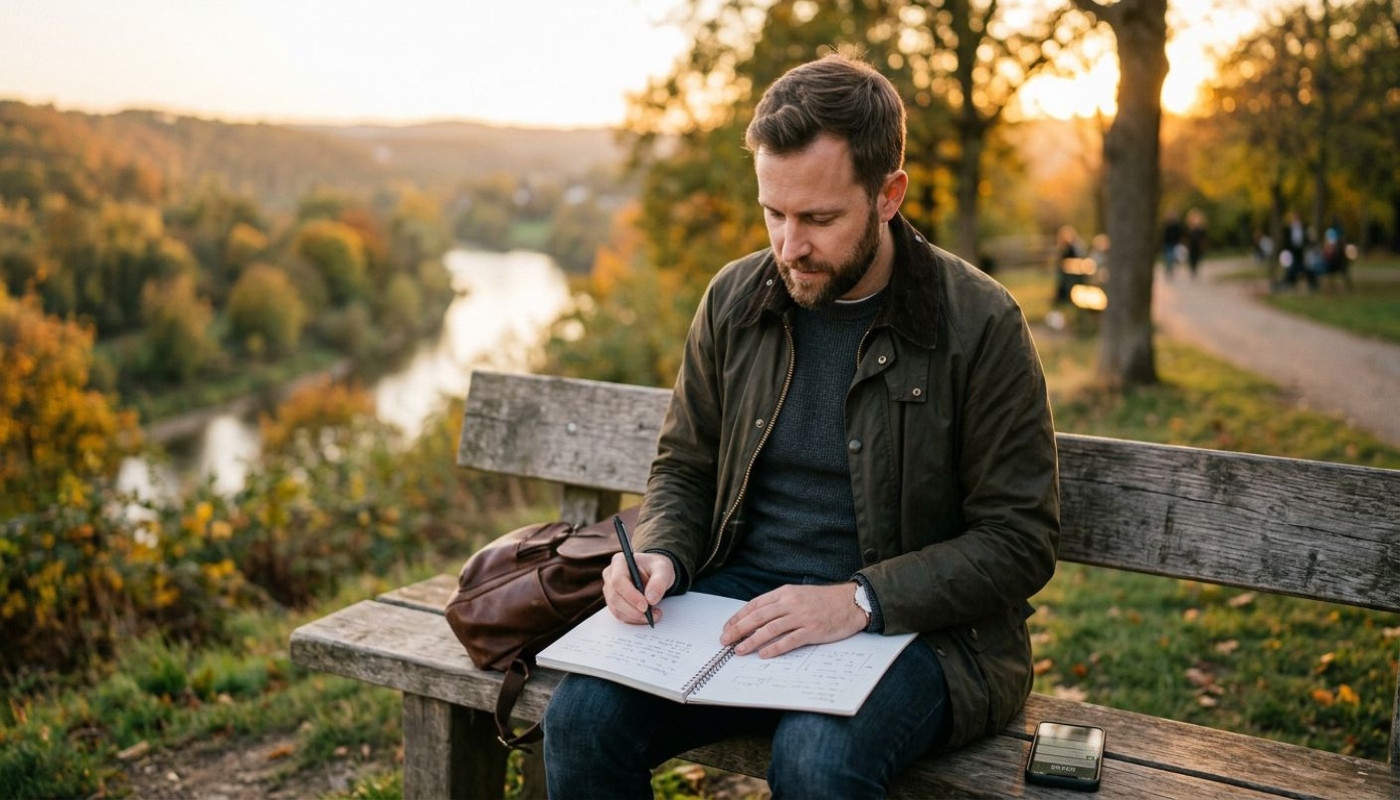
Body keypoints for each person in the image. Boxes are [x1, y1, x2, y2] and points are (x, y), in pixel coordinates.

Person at [542, 54, 1060, 799]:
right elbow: (685, 467)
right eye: (773, 214)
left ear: (888, 195)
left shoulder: (980, 322)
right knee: (581, 721)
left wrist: (858, 600)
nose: (790, 246)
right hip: (741, 600)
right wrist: (660, 554)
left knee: (817, 762)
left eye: (818, 219)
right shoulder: (733, 299)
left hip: (922, 630)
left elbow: (1020, 539)